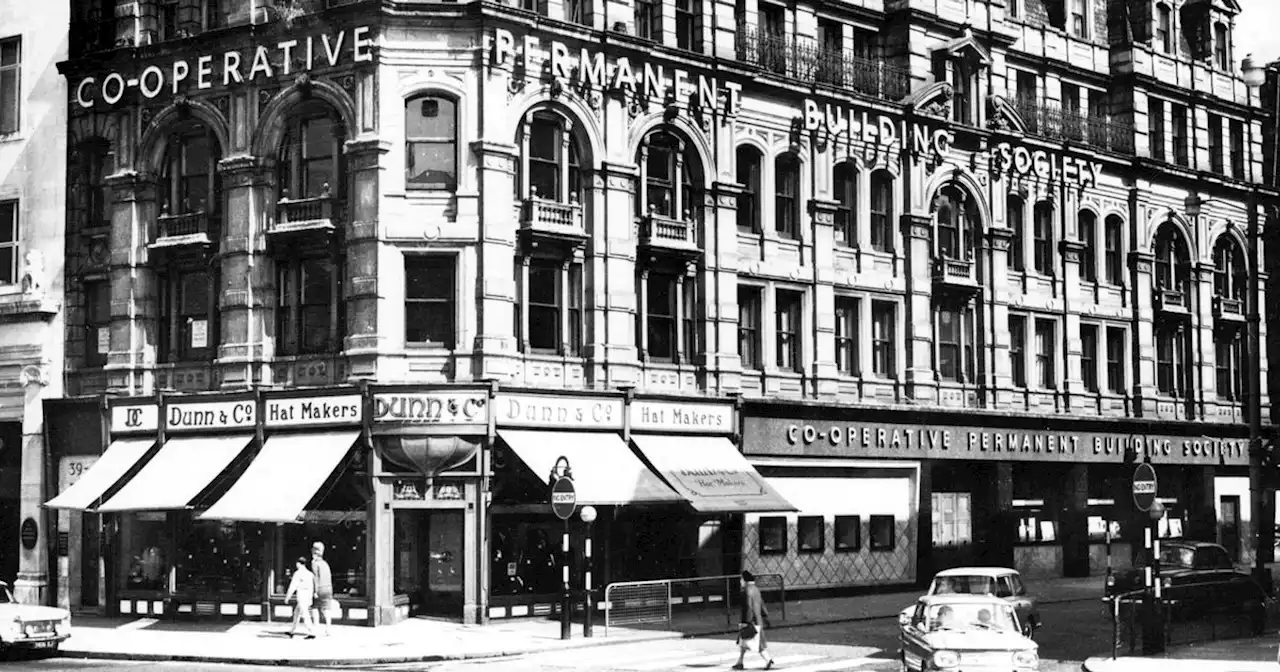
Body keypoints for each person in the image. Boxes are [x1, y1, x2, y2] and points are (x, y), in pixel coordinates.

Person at [734, 570, 774, 671]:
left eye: (741, 579)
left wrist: (747, 621)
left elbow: (748, 606)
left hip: (749, 621)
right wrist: (765, 616)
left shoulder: (746, 590)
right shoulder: (756, 589)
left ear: (745, 580)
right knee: (743, 643)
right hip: (757, 620)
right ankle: (740, 662)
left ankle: (768, 660)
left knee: (757, 643)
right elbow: (762, 604)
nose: (740, 581)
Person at [283, 557, 317, 639]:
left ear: (298, 563)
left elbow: (293, 586)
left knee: (305, 614)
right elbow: (313, 587)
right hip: (308, 595)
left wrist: (287, 597)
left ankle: (311, 632)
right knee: (296, 613)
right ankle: (292, 630)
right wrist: (311, 597)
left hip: (302, 595)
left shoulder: (298, 573)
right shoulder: (310, 574)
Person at [310, 541, 334, 636]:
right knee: (326, 609)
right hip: (328, 588)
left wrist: (315, 591)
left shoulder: (315, 563)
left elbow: (316, 577)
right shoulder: (325, 563)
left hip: (320, 588)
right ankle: (328, 629)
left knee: (315, 607)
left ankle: (316, 627)